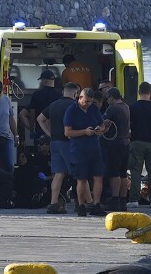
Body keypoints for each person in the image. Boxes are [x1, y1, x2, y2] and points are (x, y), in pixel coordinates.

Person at [64, 88, 109, 217]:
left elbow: (102, 124)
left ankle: (96, 204)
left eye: (90, 102)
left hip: (94, 147)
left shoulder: (94, 109)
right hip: (79, 149)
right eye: (86, 101)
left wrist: (100, 129)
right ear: (80, 98)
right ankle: (81, 205)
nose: (88, 104)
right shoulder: (71, 110)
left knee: (98, 176)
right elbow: (67, 132)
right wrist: (84, 131)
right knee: (82, 179)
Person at [37, 82, 80, 214]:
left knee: (58, 173)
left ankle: (53, 203)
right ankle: (82, 203)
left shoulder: (54, 104)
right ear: (76, 94)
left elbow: (40, 119)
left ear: (63, 92)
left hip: (54, 142)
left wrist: (49, 133)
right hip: (69, 142)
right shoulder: (75, 106)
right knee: (78, 174)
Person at [126, 82, 151, 209]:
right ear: (150, 93)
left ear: (139, 92)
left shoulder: (133, 107)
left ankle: (134, 199)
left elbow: (128, 125)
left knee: (135, 171)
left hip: (136, 142)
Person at [102, 87, 131, 212]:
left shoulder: (112, 108)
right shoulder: (126, 107)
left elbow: (104, 125)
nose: (107, 100)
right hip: (125, 141)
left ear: (112, 97)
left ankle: (115, 199)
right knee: (123, 174)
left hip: (115, 143)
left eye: (107, 98)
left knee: (114, 173)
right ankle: (123, 200)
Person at [19, 70, 61, 141]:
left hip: (40, 129)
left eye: (41, 80)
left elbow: (32, 113)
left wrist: (32, 129)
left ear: (44, 81)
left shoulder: (37, 94)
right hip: (55, 131)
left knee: (39, 150)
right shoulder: (59, 95)